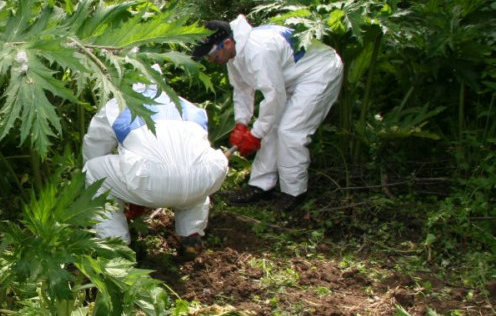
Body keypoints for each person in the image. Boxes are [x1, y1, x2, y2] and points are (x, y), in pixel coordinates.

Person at [192, 16, 344, 211]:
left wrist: (254, 135)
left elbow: (274, 97)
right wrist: (241, 123)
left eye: (211, 55)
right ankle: (261, 186)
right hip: (289, 77)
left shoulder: (258, 50)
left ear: (227, 43)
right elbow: (242, 90)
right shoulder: (234, 53)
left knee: (291, 131)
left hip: (318, 72)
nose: (211, 60)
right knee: (270, 128)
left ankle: (294, 192)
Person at [82, 85, 229, 258]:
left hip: (152, 179)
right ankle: (191, 235)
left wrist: (126, 187)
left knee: (93, 171)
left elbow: (94, 150)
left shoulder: (117, 105)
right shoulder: (187, 105)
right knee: (193, 166)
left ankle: (116, 248)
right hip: (206, 179)